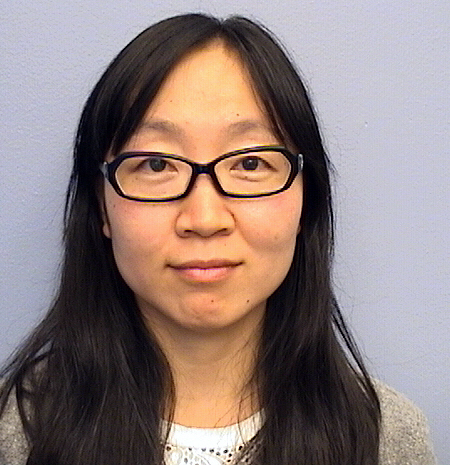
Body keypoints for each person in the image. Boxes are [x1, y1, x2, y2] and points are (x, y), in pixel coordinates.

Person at [0, 13, 435, 465]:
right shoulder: (14, 435)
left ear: (306, 201)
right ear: (102, 205)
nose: (205, 219)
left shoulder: (385, 438)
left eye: (249, 164)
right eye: (156, 164)